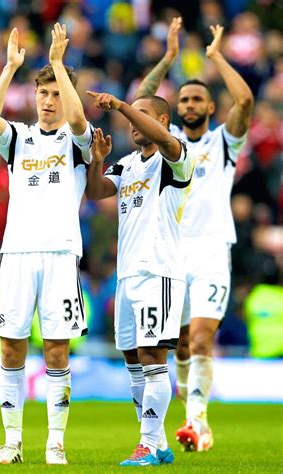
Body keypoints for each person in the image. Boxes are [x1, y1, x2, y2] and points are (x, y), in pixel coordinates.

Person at [134, 21, 253, 451]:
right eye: (183, 99)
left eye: (197, 99)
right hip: (172, 253)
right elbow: (140, 103)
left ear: (209, 106)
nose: (189, 104)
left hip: (212, 250)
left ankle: (197, 421)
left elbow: (244, 100)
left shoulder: (223, 143)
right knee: (182, 343)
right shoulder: (168, 144)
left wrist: (216, 56)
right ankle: (193, 415)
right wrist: (168, 58)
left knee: (202, 336)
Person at [0, 24, 93, 465]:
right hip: (17, 254)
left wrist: (59, 64)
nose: (48, 101)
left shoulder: (77, 141)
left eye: (56, 94)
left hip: (61, 253)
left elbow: (80, 121)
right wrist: (10, 67)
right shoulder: (19, 138)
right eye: (43, 93)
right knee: (11, 347)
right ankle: (12, 443)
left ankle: (55, 443)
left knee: (56, 350)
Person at [86, 91, 193, 466]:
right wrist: (96, 160)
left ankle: (146, 444)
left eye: (142, 113)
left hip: (158, 271)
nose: (133, 121)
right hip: (128, 274)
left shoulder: (175, 157)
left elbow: (165, 140)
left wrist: (121, 107)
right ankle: (158, 444)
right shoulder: (127, 164)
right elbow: (95, 192)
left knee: (151, 356)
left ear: (162, 121)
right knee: (133, 359)